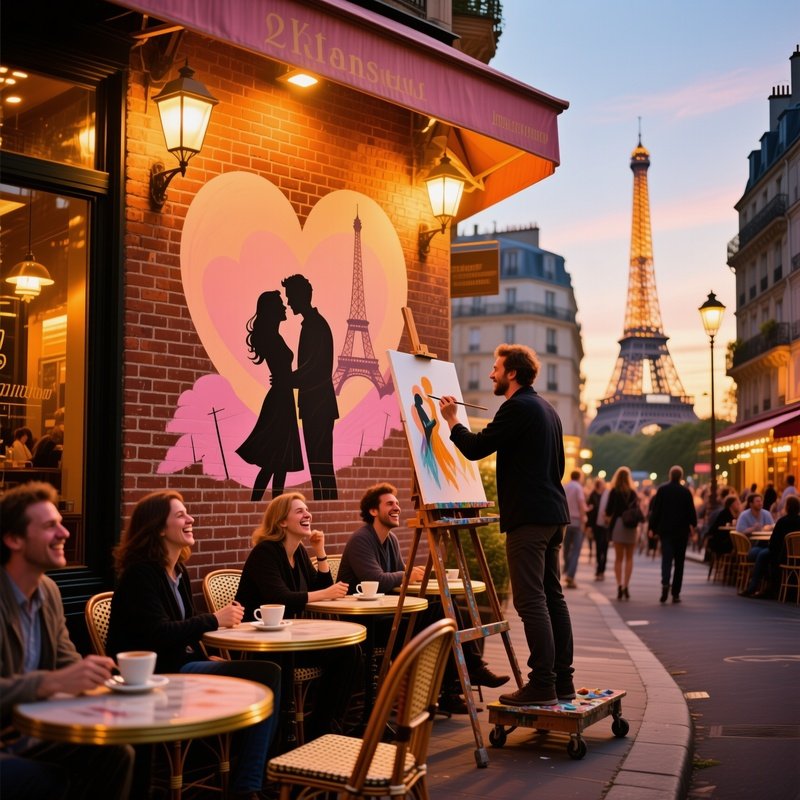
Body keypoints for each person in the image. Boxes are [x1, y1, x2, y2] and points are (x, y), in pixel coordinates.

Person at [106, 490, 280, 800]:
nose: (191, 519)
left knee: (268, 673)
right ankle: (248, 785)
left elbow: (180, 632)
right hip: (157, 676)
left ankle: (247, 770)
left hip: (182, 664)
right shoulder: (141, 575)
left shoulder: (178, 571)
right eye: (181, 515)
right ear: (159, 528)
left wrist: (204, 653)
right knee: (266, 674)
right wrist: (213, 620)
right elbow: (157, 633)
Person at [439, 343, 573, 707]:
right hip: (553, 514)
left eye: (496, 368)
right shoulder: (548, 409)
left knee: (531, 602)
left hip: (529, 519)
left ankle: (542, 682)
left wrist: (452, 419)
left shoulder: (516, 407)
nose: (491, 374)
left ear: (512, 372)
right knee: (553, 598)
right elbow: (558, 467)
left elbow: (475, 447)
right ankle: (563, 682)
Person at [0, 482, 134, 800]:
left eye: (61, 523)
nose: (65, 533)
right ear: (13, 539)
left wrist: (104, 682)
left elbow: (66, 662)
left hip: (29, 731)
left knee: (120, 752)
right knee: (46, 780)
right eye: (50, 526)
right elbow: (55, 677)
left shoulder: (48, 591)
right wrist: (48, 683)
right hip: (11, 736)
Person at [337, 483, 509, 714]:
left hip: (389, 616)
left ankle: (453, 688)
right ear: (373, 511)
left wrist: (415, 577)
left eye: (397, 503)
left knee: (449, 612)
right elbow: (376, 580)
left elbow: (398, 581)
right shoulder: (362, 539)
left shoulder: (391, 540)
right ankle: (464, 677)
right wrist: (407, 574)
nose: (397, 507)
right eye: (390, 504)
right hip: (367, 625)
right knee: (442, 617)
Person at [235, 492, 358, 738]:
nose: (307, 514)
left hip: (289, 639)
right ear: (282, 521)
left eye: (307, 509)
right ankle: (294, 735)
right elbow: (280, 596)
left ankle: (323, 728)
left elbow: (318, 586)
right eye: (299, 511)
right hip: (261, 644)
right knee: (343, 653)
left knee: (349, 652)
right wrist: (324, 593)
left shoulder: (299, 551)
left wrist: (320, 551)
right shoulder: (266, 552)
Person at [236, 291, 304, 502]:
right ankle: (265, 503)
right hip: (279, 402)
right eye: (280, 305)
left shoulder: (273, 336)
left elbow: (282, 374)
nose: (285, 308)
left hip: (283, 398)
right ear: (272, 310)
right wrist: (294, 379)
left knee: (280, 461)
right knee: (275, 461)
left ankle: (277, 505)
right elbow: (282, 373)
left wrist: (287, 380)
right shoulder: (270, 337)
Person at [281, 274, 339, 500]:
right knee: (319, 464)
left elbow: (314, 369)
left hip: (318, 406)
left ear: (300, 296)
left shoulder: (315, 325)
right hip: (316, 405)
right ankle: (325, 503)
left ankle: (326, 504)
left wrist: (287, 379)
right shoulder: (313, 324)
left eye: (290, 297)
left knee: (320, 464)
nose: (288, 303)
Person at [649, 466, 697, 603]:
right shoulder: (686, 492)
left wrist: (652, 527)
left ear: (670, 476)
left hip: (666, 531)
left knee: (667, 559)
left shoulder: (662, 490)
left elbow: (656, 510)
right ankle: (676, 592)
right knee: (679, 562)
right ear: (681, 477)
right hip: (681, 532)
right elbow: (691, 512)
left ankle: (665, 583)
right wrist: (693, 525)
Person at [740, 495, 800, 598]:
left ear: (787, 507)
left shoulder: (782, 522)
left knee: (762, 555)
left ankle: (754, 587)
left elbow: (773, 543)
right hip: (798, 558)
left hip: (783, 557)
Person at [605, 466, 639, 600]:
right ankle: (626, 585)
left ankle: (619, 585)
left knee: (618, 558)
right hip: (630, 526)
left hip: (618, 524)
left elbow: (608, 511)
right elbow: (636, 510)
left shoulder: (614, 491)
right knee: (629, 558)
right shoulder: (633, 492)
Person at [562, 470, 587, 588]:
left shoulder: (566, 486)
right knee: (576, 550)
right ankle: (570, 575)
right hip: (576, 522)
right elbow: (581, 504)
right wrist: (583, 520)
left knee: (566, 548)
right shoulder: (578, 487)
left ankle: (566, 569)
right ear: (579, 477)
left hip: (566, 521)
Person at [588, 478, 610, 581]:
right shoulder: (593, 495)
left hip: (605, 525)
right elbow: (590, 511)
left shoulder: (607, 495)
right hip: (596, 525)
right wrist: (589, 526)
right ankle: (598, 568)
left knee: (604, 548)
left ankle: (602, 569)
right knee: (598, 547)